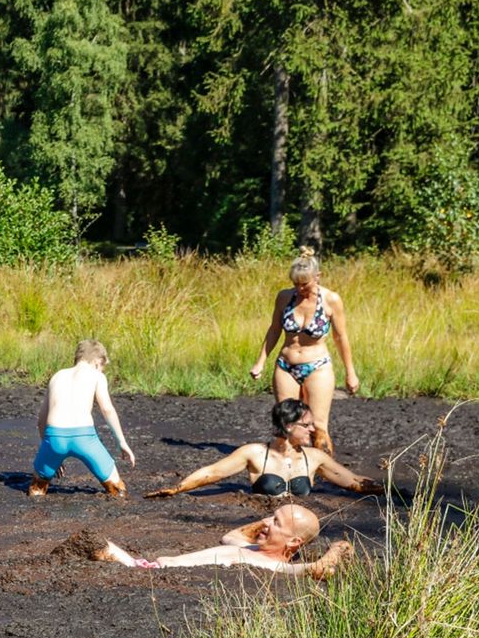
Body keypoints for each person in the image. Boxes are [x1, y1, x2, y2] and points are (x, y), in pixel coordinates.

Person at [145, 399, 384, 498]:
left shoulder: (315, 458)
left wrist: (389, 490)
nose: (313, 430)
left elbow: (353, 481)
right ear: (289, 426)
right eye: (307, 425)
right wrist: (177, 489)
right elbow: (213, 472)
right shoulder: (254, 453)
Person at [249, 246, 359, 455]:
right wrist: (260, 362)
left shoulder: (331, 300)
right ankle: (288, 467)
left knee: (317, 425)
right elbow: (274, 330)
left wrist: (350, 372)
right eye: (295, 284)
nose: (300, 288)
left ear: (318, 276)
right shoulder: (284, 297)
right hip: (286, 366)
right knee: (287, 424)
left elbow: (341, 337)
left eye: (304, 283)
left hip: (317, 366)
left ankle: (325, 469)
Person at [92, 503, 354, 579]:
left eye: (276, 522)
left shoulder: (276, 567)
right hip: (145, 566)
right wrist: (268, 524)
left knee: (93, 545)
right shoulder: (249, 548)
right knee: (92, 541)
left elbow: (318, 568)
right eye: (269, 516)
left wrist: (338, 548)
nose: (265, 522)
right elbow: (231, 536)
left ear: (295, 541)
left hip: (148, 573)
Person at [31, 339, 135, 497]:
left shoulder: (57, 376)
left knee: (36, 489)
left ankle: (37, 497)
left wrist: (50, 449)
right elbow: (107, 409)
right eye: (103, 367)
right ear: (97, 362)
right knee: (118, 490)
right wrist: (122, 442)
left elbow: (41, 421)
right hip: (84, 438)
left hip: (55, 437)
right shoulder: (97, 376)